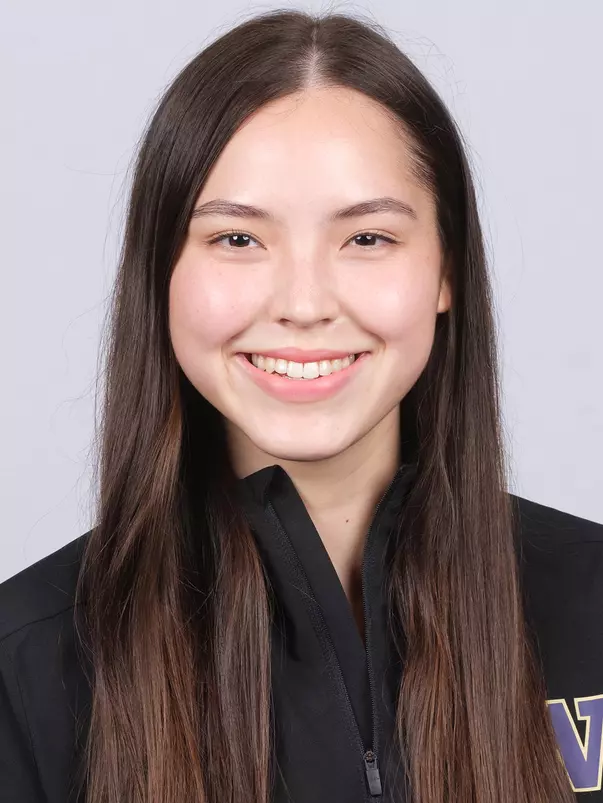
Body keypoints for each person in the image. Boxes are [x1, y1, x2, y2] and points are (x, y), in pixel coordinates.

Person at [0, 8, 601, 803]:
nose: (304, 302)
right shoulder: (27, 662)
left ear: (445, 269)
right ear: (161, 273)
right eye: (237, 240)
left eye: (368, 239)